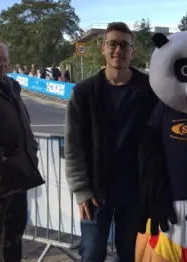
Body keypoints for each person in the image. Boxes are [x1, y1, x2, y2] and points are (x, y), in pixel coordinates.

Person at [64, 22, 158, 261]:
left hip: (135, 191)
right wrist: (81, 190)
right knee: (92, 252)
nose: (119, 50)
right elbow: (73, 145)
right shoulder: (83, 92)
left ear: (133, 51)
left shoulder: (150, 90)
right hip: (96, 192)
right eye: (113, 44)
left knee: (131, 254)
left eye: (125, 45)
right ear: (103, 49)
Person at [0, 41, 45, 261]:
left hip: (17, 175)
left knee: (14, 237)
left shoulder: (10, 86)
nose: (1, 63)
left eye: (4, 59)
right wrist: (1, 157)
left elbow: (22, 124)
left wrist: (31, 150)